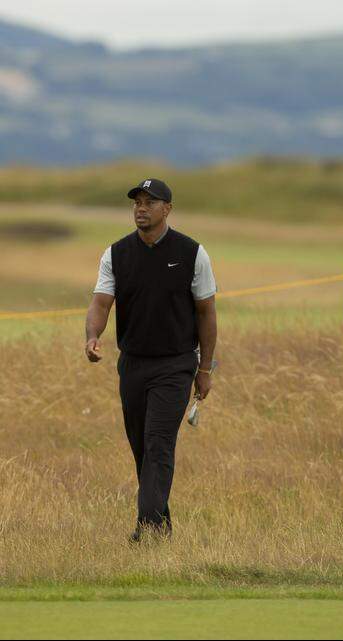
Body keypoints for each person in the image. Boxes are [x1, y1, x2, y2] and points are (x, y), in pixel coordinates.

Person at [83, 178, 218, 543]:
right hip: (133, 363)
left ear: (167, 209)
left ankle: (147, 529)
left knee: (159, 442)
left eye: (150, 202)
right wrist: (93, 336)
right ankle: (161, 524)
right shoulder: (116, 254)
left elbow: (206, 313)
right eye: (137, 202)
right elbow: (100, 302)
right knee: (141, 446)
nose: (141, 208)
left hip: (176, 364)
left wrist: (204, 369)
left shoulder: (192, 253)